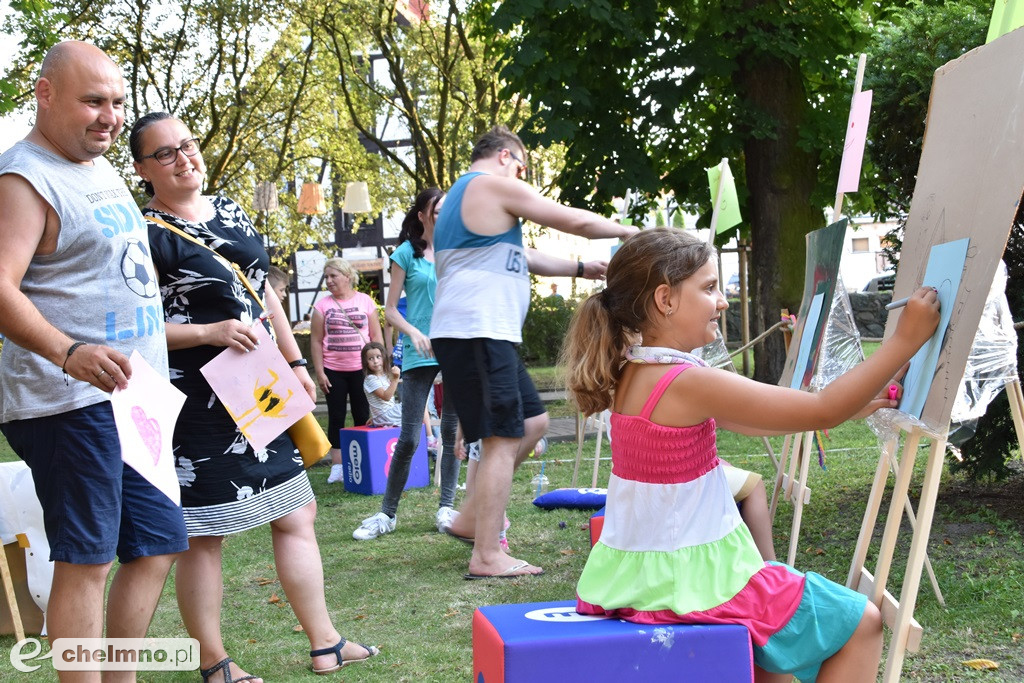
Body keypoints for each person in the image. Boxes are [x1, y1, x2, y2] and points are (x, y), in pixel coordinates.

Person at [561, 228, 940, 682]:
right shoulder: (686, 380)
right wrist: (905, 341)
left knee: (772, 670)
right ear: (665, 299)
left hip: (644, 580)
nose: (721, 302)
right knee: (861, 622)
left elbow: (760, 418)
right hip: (696, 585)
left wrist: (842, 411)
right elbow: (821, 407)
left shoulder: (636, 373)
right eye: (708, 287)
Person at [130, 112, 378, 681]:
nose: (184, 157)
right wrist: (208, 333)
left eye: (187, 145)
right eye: (165, 153)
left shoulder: (232, 210)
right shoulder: (145, 233)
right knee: (203, 535)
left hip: (260, 385)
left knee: (298, 510)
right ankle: (215, 664)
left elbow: (262, 293)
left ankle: (326, 643)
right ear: (144, 168)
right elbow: (131, 325)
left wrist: (294, 361)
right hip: (195, 398)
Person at [0, 42, 189, 682]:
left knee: (159, 541)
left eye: (114, 102)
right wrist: (69, 351)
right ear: (44, 92)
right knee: (87, 558)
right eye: (91, 101)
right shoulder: (24, 177)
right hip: (68, 402)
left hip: (135, 398)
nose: (108, 116)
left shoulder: (98, 166)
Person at [430, 126, 638, 579]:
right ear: (506, 157)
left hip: (484, 333)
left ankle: (469, 518)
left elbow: (520, 257)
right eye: (523, 169)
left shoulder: (464, 202)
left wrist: (582, 268)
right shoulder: (488, 185)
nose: (523, 179)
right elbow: (574, 221)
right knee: (502, 437)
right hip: (476, 331)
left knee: (532, 423)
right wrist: (633, 231)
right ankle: (487, 556)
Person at [351, 189, 460, 540]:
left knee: (451, 433)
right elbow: (391, 309)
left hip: (455, 349)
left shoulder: (456, 250)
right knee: (410, 437)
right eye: (439, 210)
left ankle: (446, 507)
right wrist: (413, 332)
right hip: (418, 352)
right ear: (422, 215)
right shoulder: (405, 254)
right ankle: (387, 514)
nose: (446, 215)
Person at [310, 258, 383, 483]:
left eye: (333, 276)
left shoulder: (366, 302)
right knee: (337, 416)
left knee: (363, 414)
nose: (329, 280)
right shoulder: (322, 306)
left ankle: (363, 460)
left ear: (347, 277)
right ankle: (338, 466)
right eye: (327, 276)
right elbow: (315, 341)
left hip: (362, 371)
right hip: (333, 370)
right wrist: (320, 372)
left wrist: (380, 368)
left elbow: (376, 336)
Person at [361, 341, 403, 427]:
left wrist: (374, 417)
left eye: (378, 357)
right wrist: (395, 379)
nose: (375, 361)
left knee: (417, 403)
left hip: (385, 415)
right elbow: (386, 397)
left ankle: (427, 435)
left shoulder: (384, 376)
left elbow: (381, 404)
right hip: (386, 416)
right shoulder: (370, 379)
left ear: (384, 358)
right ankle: (429, 436)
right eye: (371, 358)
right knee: (417, 404)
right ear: (366, 362)